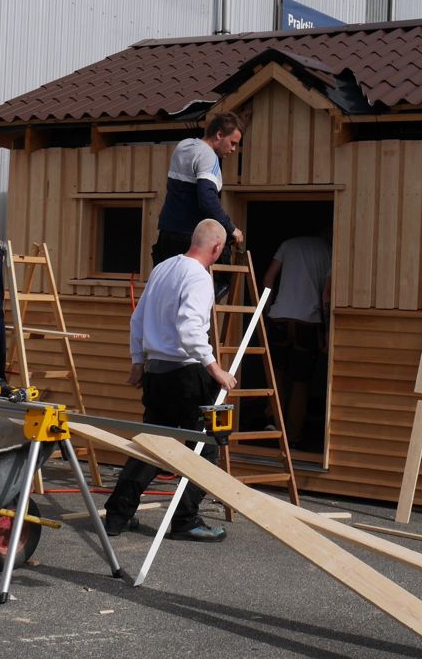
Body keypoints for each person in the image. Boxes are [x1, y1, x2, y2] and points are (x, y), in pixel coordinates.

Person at [104, 219, 237, 541]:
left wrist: (138, 361)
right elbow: (190, 328)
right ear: (217, 247)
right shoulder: (199, 277)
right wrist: (215, 368)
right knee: (206, 449)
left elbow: (138, 318)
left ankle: (117, 517)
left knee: (152, 445)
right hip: (186, 375)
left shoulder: (164, 268)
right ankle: (185, 520)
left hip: (157, 373)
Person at [262, 233, 331, 447]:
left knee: (277, 374)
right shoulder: (328, 252)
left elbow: (268, 279)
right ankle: (293, 435)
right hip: (307, 322)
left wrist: (265, 314)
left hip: (280, 316)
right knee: (301, 381)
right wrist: (328, 329)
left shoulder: (287, 244)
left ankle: (274, 425)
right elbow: (327, 295)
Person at [151, 112, 244, 267]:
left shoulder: (184, 146)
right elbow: (207, 200)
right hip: (191, 238)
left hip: (168, 234)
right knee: (217, 281)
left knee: (169, 286)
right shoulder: (209, 157)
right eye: (232, 143)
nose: (234, 149)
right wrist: (231, 229)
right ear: (219, 134)